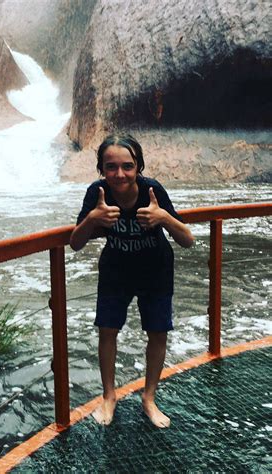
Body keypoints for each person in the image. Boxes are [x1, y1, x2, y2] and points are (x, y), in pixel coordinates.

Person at [70, 134, 194, 428]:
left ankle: (149, 398)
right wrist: (93, 218)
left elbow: (187, 239)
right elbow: (75, 242)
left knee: (158, 332)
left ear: (138, 166)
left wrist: (163, 217)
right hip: (116, 270)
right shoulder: (97, 192)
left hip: (156, 270)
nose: (120, 174)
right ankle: (108, 396)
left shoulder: (152, 190)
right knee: (107, 331)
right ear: (101, 169)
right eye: (111, 166)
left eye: (128, 166)